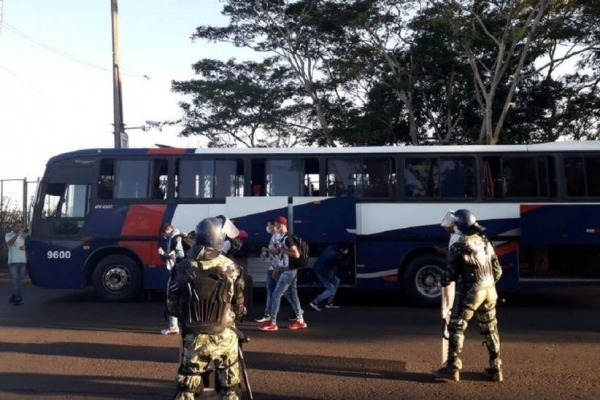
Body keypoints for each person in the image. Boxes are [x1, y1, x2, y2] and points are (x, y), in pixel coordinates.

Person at [167, 217, 247, 400]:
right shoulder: (232, 268)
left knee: (187, 385)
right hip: (224, 337)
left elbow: (172, 307)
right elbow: (240, 307)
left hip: (194, 339)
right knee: (230, 385)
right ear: (219, 238)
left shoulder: (182, 267)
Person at [434, 209, 504, 383]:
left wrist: (442, 281)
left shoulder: (459, 245)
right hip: (490, 290)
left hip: (473, 291)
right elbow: (498, 271)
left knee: (457, 327)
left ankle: (452, 368)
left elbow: (449, 274)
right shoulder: (486, 242)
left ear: (459, 226)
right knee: (490, 327)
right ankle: (496, 368)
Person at [258, 216, 307, 331]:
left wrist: (283, 250)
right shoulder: (284, 238)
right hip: (287, 270)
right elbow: (281, 254)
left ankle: (273, 322)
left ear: (280, 225)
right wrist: (278, 266)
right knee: (292, 295)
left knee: (276, 295)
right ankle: (300, 320)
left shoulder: (287, 239)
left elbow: (296, 254)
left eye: (275, 225)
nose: (274, 227)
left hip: (288, 271)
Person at [158, 223, 185, 335]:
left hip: (176, 271)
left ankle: (173, 326)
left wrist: (164, 254)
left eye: (164, 234)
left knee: (171, 297)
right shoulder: (180, 236)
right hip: (180, 271)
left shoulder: (174, 238)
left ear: (167, 230)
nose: (164, 236)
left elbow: (180, 255)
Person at [309, 242, 349, 311]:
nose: (346, 251)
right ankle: (315, 302)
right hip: (322, 272)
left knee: (336, 281)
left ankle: (329, 302)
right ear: (342, 249)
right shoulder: (335, 256)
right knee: (331, 289)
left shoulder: (332, 248)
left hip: (320, 268)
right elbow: (328, 269)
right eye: (345, 250)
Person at [5, 220, 27, 305]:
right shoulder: (8, 235)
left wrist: (25, 246)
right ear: (13, 227)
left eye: (20, 226)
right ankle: (18, 298)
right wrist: (17, 235)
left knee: (19, 281)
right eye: (17, 226)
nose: (19, 228)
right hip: (13, 261)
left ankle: (13, 297)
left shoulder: (23, 236)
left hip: (22, 261)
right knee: (15, 281)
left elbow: (27, 244)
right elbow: (10, 243)